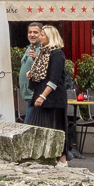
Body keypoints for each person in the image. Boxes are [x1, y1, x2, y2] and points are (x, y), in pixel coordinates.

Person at [25, 24, 68, 156]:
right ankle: (41, 156)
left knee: (56, 129)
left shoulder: (57, 54)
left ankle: (62, 158)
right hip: (41, 96)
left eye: (42, 35)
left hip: (53, 99)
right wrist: (32, 75)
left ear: (50, 37)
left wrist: (43, 96)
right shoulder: (43, 53)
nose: (39, 37)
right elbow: (40, 76)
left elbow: (54, 79)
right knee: (38, 127)